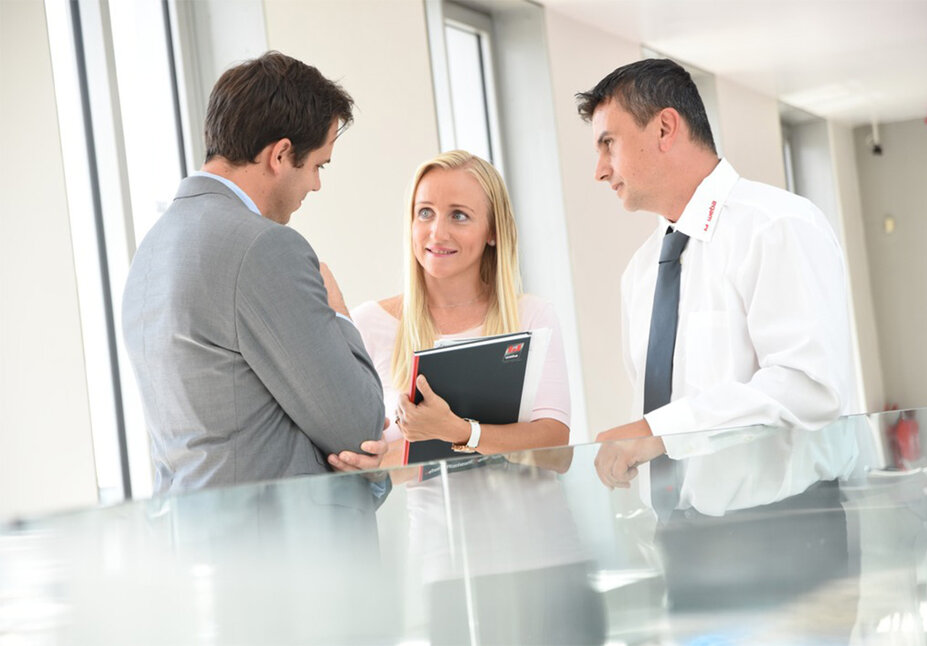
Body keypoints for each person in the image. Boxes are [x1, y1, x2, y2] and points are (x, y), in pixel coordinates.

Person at [576, 59, 859, 611]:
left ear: (664, 128)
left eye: (608, 143)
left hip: (786, 537)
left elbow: (809, 386)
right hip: (684, 546)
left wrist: (659, 431)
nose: (600, 169)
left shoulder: (778, 225)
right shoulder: (640, 272)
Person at [122, 51, 386, 494]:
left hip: (197, 539)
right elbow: (359, 426)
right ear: (281, 155)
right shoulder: (264, 247)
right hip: (281, 550)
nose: (317, 185)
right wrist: (338, 313)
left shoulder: (151, 250)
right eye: (318, 165)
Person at [335, 149, 571, 472]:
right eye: (425, 213)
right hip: (425, 522)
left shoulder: (531, 317)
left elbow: (557, 451)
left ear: (492, 232)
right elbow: (360, 464)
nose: (437, 232)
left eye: (458, 215)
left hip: (530, 520)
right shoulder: (368, 325)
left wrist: (458, 431)